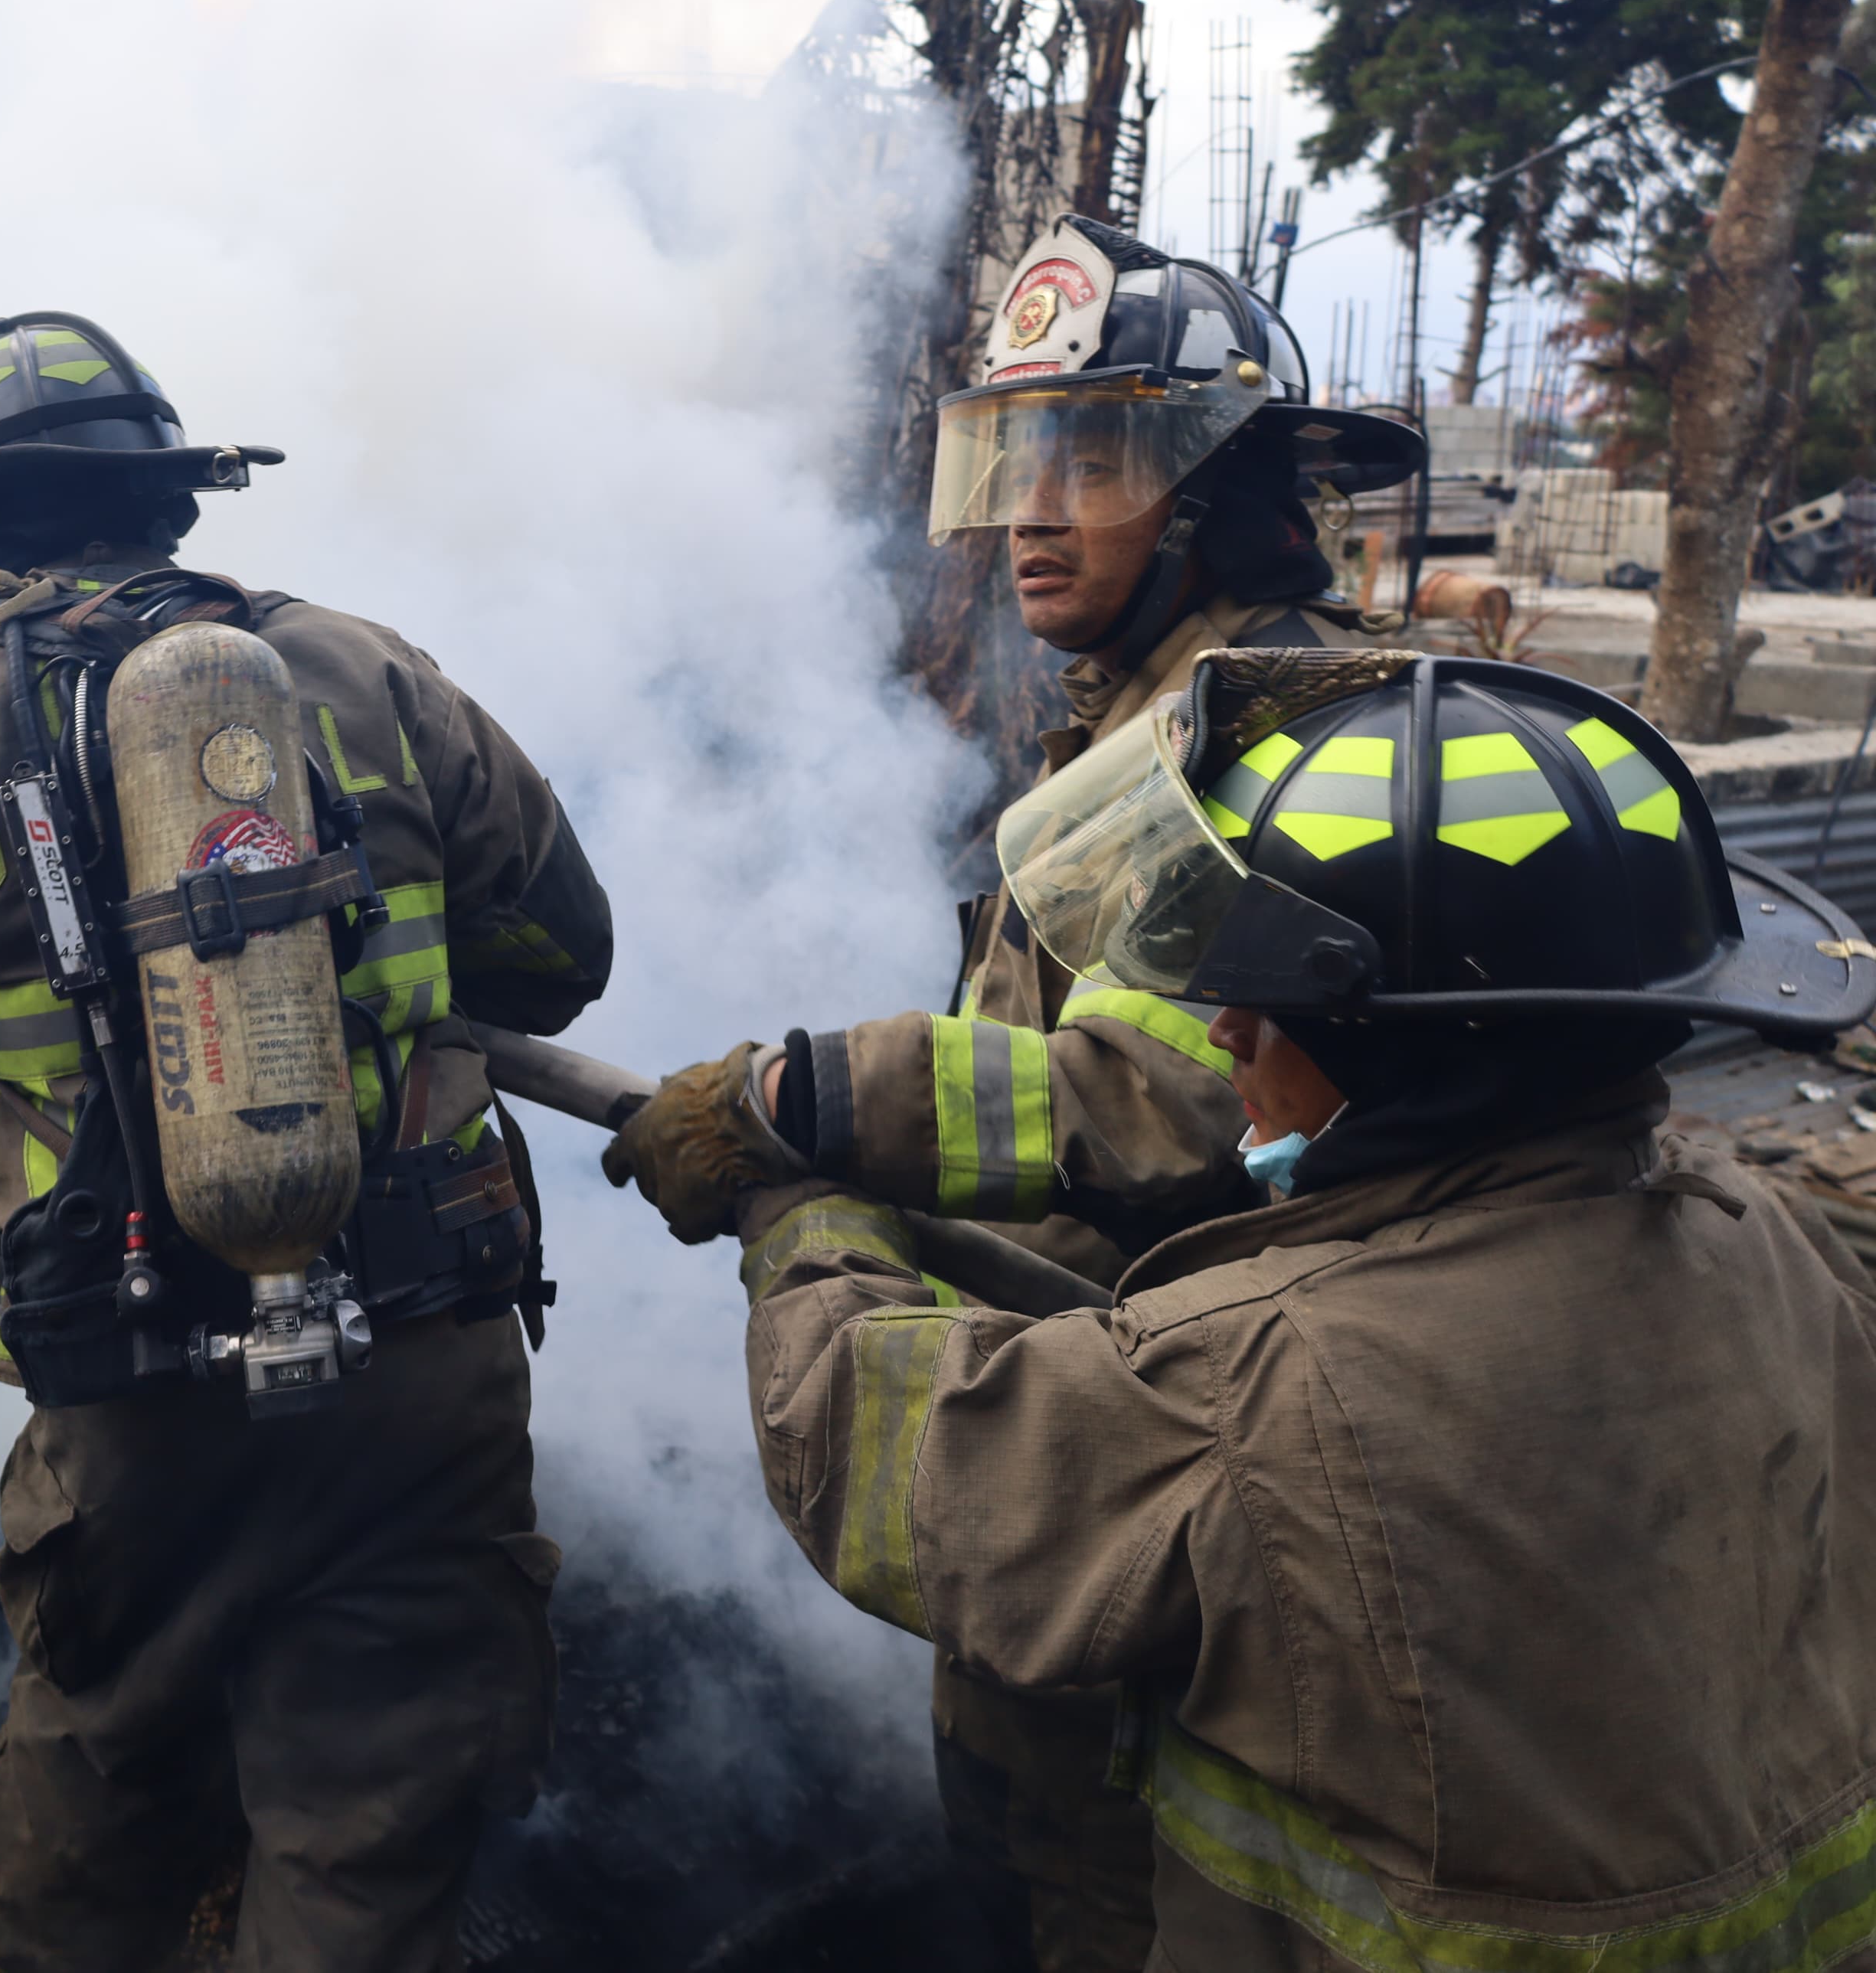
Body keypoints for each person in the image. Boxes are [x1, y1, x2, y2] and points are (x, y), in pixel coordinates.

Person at [622, 646, 1876, 1972]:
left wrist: (800, 1216)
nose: (1219, 1036)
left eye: (1271, 1004)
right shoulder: (1773, 1238)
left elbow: (884, 1456)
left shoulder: (1272, 1380)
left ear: (1410, 1047)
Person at [607, 216, 1430, 1971]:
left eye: (1098, 458)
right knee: (1013, 1852)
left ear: (1211, 487)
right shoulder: (1146, 710)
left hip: (1200, 1448)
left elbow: (1159, 1098)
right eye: (1016, 457)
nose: (1030, 513)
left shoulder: (1267, 733)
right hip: (1094, 1405)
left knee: (1114, 1898)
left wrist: (801, 1100)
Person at [0, 312, 614, 1971]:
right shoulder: (369, 673)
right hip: (423, 1370)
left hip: (139, 1395)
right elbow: (559, 957)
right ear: (163, 500)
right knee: (370, 1849)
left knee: (84, 1847)